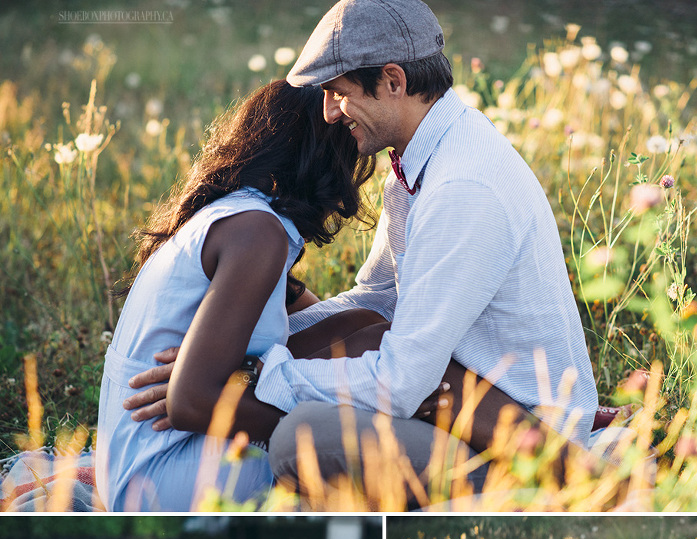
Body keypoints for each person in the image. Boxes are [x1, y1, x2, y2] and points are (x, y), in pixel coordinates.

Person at [122, 0, 600, 500]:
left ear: (393, 80)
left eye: (337, 93)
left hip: (520, 439)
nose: (328, 112)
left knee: (301, 439)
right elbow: (374, 301)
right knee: (346, 355)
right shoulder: (421, 164)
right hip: (451, 397)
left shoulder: (464, 189)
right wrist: (226, 354)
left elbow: (398, 383)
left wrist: (258, 375)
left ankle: (571, 485)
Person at [95, 79, 379, 511]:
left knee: (364, 327)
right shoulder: (256, 232)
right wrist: (313, 431)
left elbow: (327, 324)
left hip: (133, 464)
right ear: (322, 158)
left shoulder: (238, 216)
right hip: (162, 476)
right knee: (368, 365)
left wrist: (244, 372)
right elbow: (190, 401)